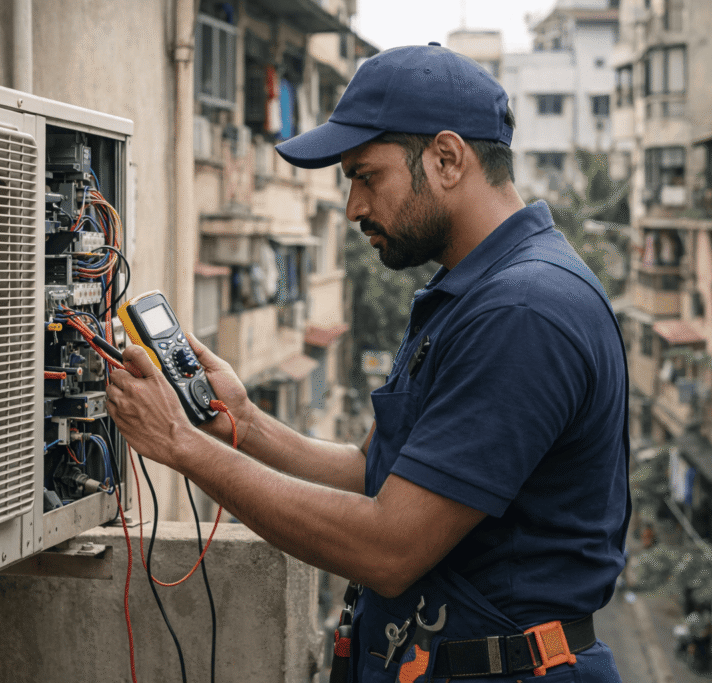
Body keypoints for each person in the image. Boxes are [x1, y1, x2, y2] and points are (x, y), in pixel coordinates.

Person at [106, 43, 629, 682]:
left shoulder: (522, 312)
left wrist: (182, 446)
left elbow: (388, 547)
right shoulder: (470, 293)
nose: (354, 206)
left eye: (365, 175)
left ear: (446, 159)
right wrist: (244, 423)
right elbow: (372, 473)